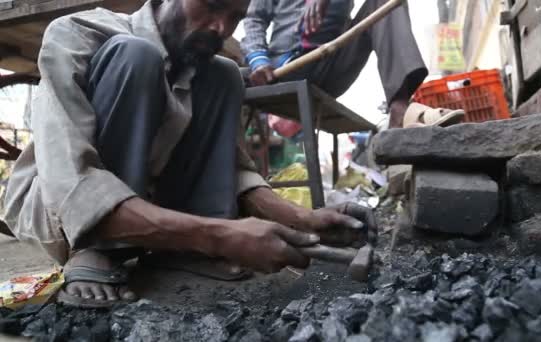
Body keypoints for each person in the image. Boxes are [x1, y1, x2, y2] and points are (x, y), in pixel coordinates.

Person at [3, 0, 376, 308]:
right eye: (214, 7)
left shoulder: (198, 64)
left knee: (226, 73)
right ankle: (98, 248)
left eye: (234, 18)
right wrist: (219, 237)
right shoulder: (76, 34)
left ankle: (184, 250)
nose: (221, 28)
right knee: (136, 56)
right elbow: (71, 180)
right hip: (57, 209)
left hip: (147, 196)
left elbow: (232, 171)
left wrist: (304, 220)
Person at [242, 0, 465, 128]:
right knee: (228, 74)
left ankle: (399, 109)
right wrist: (258, 60)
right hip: (285, 68)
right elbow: (254, 19)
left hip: (334, 67)